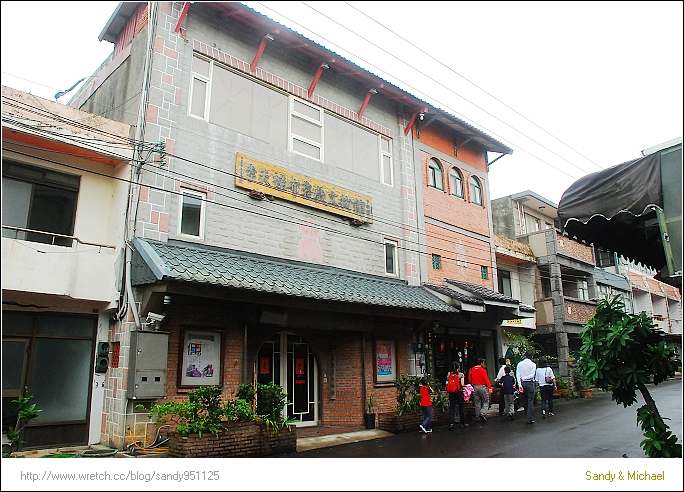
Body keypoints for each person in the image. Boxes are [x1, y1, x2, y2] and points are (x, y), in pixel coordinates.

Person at [467, 358, 492, 422]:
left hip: (474, 387)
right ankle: (482, 413)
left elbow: (469, 379)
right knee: (485, 401)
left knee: (477, 402)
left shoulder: (471, 369)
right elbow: (486, 379)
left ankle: (477, 416)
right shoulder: (483, 370)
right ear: (481, 363)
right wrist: (489, 387)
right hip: (481, 386)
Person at [445, 362, 469, 429]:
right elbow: (462, 384)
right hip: (459, 392)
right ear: (458, 367)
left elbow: (447, 382)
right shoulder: (461, 374)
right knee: (461, 407)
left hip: (451, 392)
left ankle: (451, 423)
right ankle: (463, 423)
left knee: (452, 407)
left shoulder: (449, 374)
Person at [516, 351, 537, 424]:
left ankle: (527, 416)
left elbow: (517, 375)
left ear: (524, 356)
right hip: (529, 383)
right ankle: (529, 417)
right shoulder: (533, 365)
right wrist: (524, 378)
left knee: (525, 401)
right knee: (530, 400)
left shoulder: (519, 364)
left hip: (522, 383)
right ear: (532, 357)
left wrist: (520, 385)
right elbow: (532, 375)